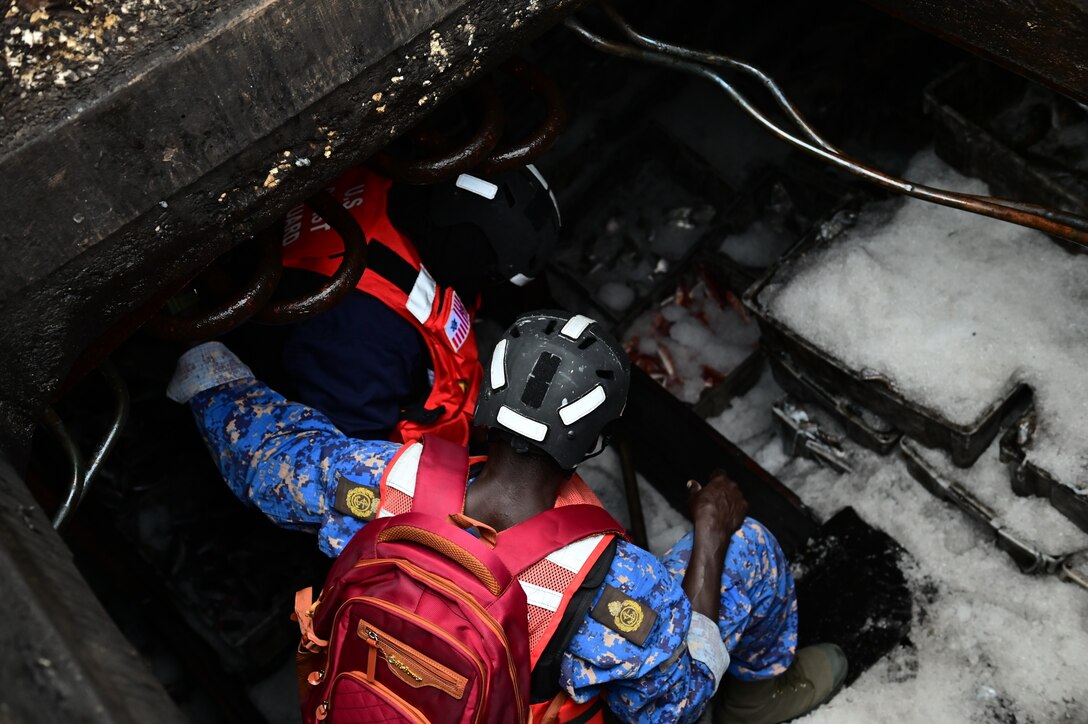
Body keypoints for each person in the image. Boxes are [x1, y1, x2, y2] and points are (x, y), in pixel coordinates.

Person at [167, 310, 847, 723]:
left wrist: (207, 370)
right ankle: (757, 703)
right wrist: (710, 536)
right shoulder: (614, 589)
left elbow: (263, 459)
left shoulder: (378, 482)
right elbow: (672, 703)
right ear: (594, 445)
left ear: (487, 405)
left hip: (378, 699)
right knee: (750, 550)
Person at [276, 164, 561, 445]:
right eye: (493, 277)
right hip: (360, 418)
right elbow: (347, 451)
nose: (489, 285)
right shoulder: (366, 332)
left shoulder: (399, 186)